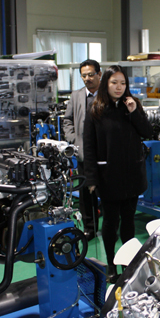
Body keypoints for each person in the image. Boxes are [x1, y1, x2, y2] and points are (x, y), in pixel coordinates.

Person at [83, 65, 153, 283]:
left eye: (123, 83)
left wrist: (134, 112)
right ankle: (112, 264)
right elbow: (89, 146)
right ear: (106, 83)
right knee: (110, 223)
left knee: (129, 222)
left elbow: (147, 132)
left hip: (132, 175)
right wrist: (91, 178)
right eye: (114, 82)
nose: (119, 87)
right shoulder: (96, 109)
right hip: (108, 177)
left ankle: (128, 263)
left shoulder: (132, 105)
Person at [63, 59, 101, 240]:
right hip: (84, 153)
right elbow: (67, 120)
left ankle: (110, 227)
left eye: (91, 75)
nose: (87, 79)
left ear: (99, 74)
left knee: (107, 192)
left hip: (104, 154)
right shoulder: (76, 95)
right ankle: (89, 229)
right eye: (84, 76)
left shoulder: (107, 95)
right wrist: (73, 139)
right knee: (86, 194)